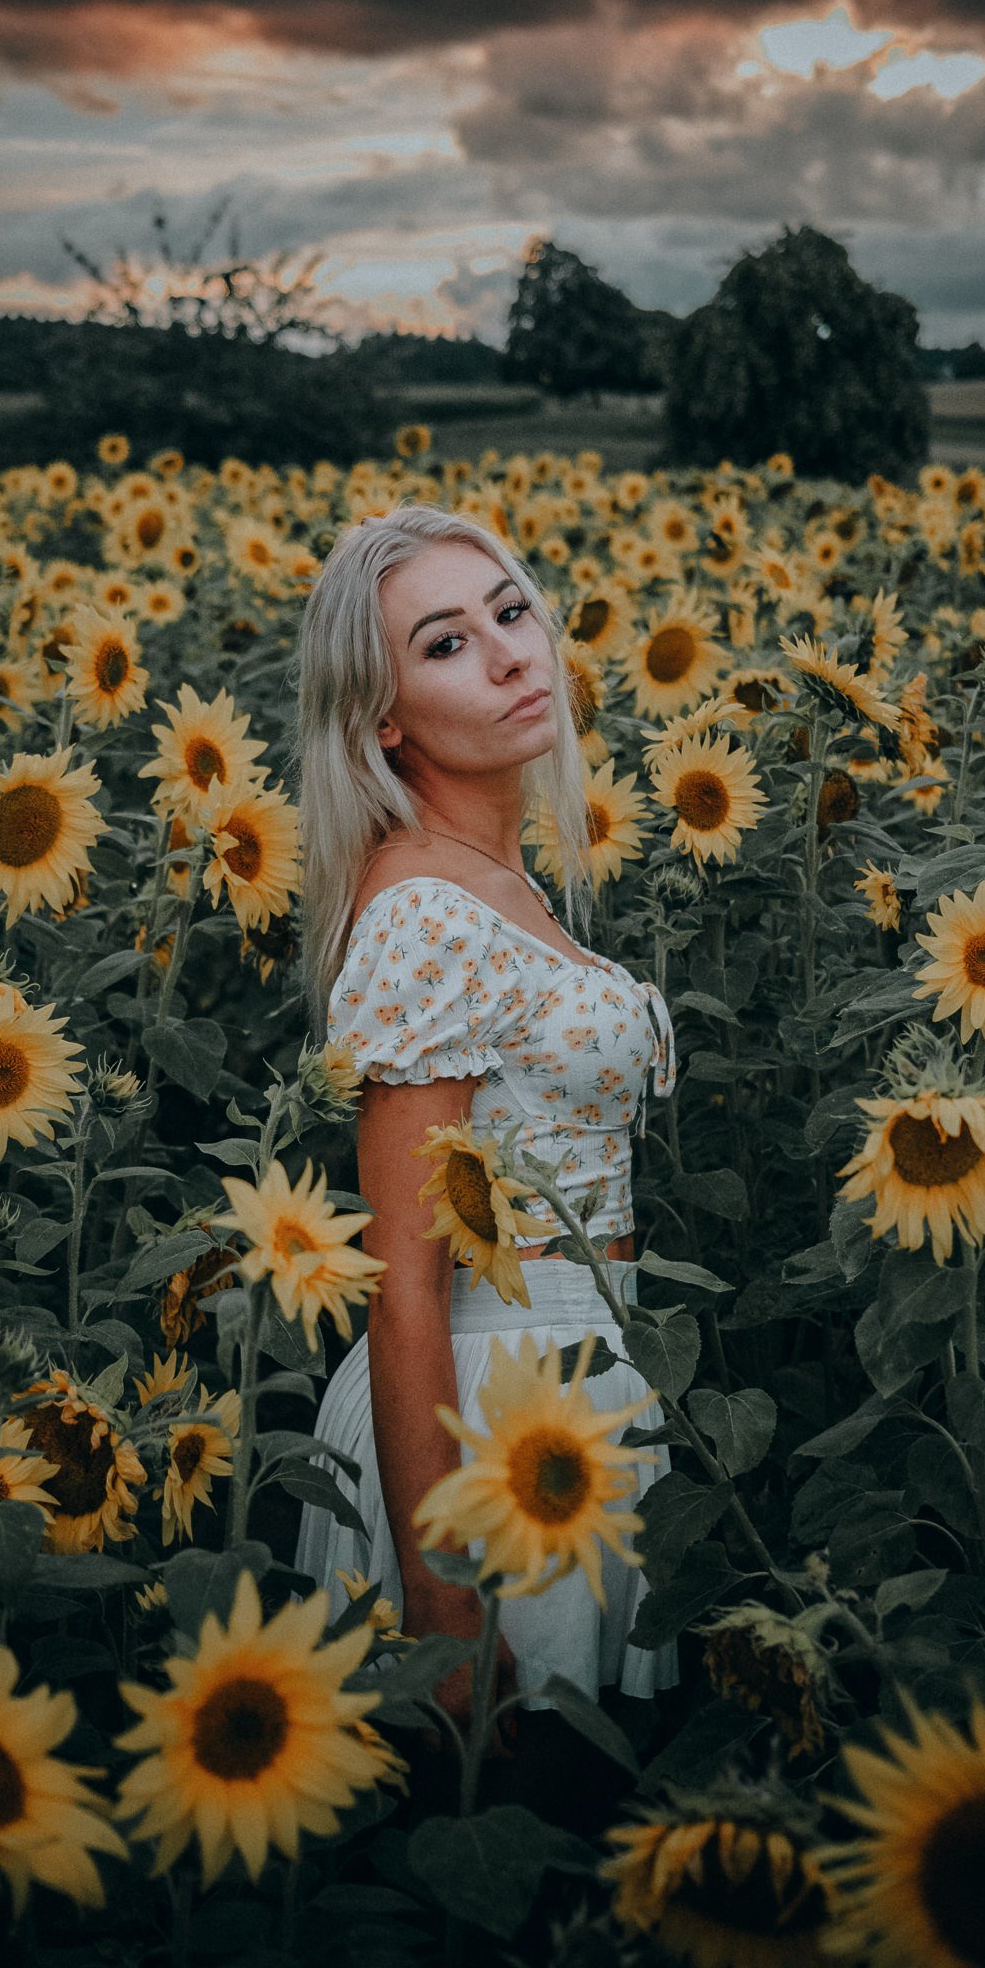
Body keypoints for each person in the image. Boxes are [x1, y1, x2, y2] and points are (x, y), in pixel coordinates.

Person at [290, 503, 680, 1817]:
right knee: (501, 1834)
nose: (512, 656)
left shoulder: (498, 882)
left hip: (576, 1396)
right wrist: (443, 1598)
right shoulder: (421, 914)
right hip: (478, 1415)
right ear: (381, 718)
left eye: (511, 611)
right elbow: (405, 1282)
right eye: (446, 642)